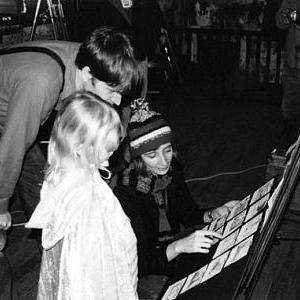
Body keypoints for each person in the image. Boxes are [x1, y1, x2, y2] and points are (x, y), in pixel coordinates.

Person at [0, 26, 140, 231]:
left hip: (13, 115)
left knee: (44, 197)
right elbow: (13, 145)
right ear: (87, 74)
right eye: (112, 90)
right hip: (11, 125)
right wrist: (2, 205)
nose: (117, 101)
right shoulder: (42, 82)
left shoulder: (89, 59)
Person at [26, 91, 138, 299]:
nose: (112, 154)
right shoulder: (83, 194)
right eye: (108, 149)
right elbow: (88, 265)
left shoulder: (73, 171)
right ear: (81, 147)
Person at [113, 100, 238, 277]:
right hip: (147, 263)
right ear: (138, 158)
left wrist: (212, 214)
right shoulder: (126, 192)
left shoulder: (172, 169)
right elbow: (138, 262)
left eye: (167, 149)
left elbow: (187, 213)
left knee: (228, 252)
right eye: (151, 155)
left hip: (171, 246)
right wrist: (179, 247)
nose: (164, 161)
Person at [276, 0, 300, 148]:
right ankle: (291, 146)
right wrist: (287, 14)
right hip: (294, 63)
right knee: (290, 107)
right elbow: (281, 23)